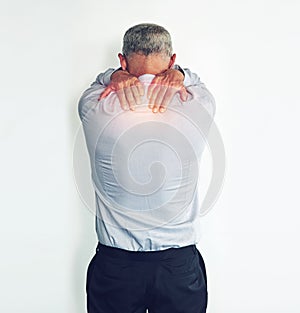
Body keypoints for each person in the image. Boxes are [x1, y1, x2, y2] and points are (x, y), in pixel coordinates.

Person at [78, 23, 216, 313]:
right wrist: (181, 76)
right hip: (178, 268)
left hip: (116, 268)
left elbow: (97, 83)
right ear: (172, 60)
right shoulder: (200, 103)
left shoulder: (94, 105)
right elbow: (196, 81)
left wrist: (112, 77)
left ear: (122, 60)